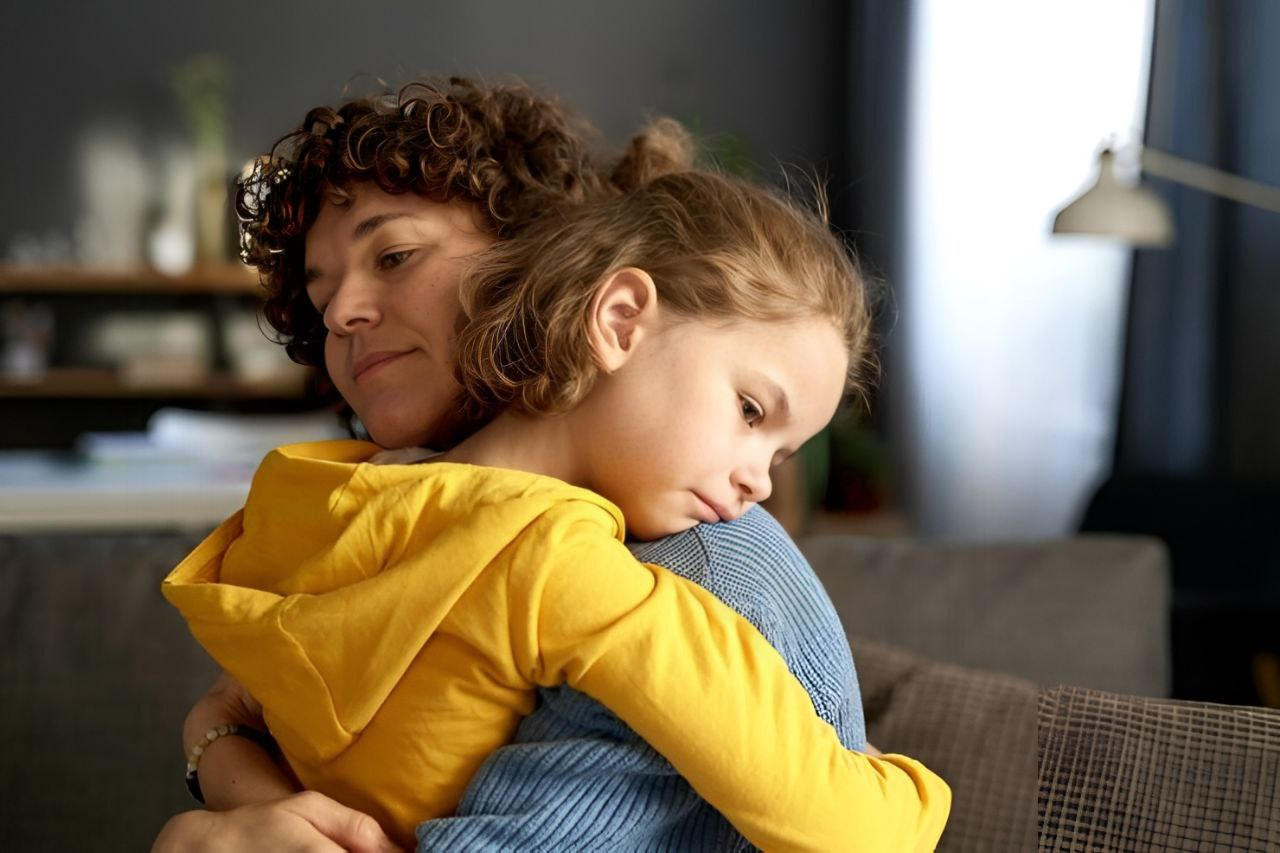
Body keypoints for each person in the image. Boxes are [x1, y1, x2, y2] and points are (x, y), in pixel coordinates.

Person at [153, 80, 936, 852]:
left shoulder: (311, 496)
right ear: (618, 317)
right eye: (751, 414)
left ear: (530, 260)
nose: (343, 312)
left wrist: (218, 781)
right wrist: (910, 787)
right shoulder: (563, 567)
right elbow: (856, 830)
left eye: (393, 255)